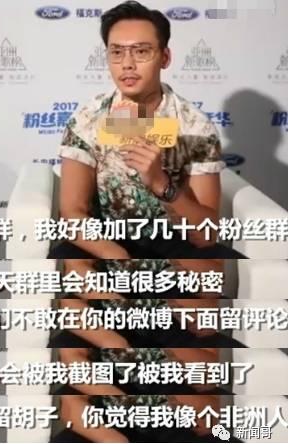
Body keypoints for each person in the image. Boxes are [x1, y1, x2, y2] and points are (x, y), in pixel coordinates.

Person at [48, 1, 247, 294]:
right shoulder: (88, 118)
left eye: (141, 51)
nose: (127, 64)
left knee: (209, 277)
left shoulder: (194, 127)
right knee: (77, 269)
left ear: (165, 57)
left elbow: (205, 234)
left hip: (171, 249)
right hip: (107, 244)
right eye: (117, 52)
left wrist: (161, 185)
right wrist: (119, 257)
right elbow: (73, 213)